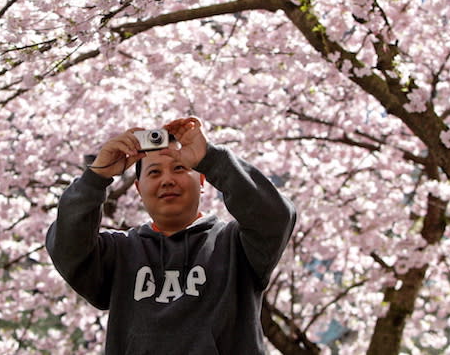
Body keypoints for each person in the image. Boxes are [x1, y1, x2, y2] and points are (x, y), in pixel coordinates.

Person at [45, 117, 297, 354]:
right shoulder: (119, 252)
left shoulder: (236, 245)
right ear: (138, 188)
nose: (167, 180)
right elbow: (68, 249)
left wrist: (211, 159)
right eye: (154, 173)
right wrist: (96, 178)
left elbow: (275, 217)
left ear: (201, 179)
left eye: (179, 168)